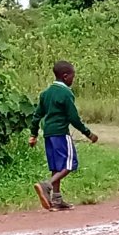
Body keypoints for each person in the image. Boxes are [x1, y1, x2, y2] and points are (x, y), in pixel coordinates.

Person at [29, 61, 98, 211]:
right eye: (73, 76)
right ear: (65, 76)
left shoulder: (46, 93)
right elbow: (73, 118)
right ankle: (46, 185)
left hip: (48, 134)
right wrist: (88, 133)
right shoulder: (66, 93)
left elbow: (36, 116)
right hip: (61, 133)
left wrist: (33, 135)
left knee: (56, 166)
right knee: (69, 164)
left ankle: (57, 199)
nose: (73, 79)